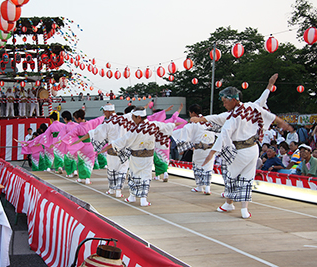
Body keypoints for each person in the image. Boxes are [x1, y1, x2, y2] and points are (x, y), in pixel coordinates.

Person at [196, 73, 289, 219]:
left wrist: (212, 153)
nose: (224, 103)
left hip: (240, 151)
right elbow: (262, 99)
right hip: (253, 149)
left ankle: (229, 203)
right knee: (247, 177)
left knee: (232, 176)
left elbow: (223, 133)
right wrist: (269, 85)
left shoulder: (232, 117)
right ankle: (244, 209)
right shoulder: (252, 107)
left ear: (233, 100)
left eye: (225, 101)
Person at [101, 107, 178, 206]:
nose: (132, 119)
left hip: (136, 156)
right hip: (148, 157)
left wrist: (107, 148)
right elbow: (168, 127)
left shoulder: (135, 130)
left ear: (138, 117)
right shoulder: (154, 125)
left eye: (133, 117)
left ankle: (132, 197)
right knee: (145, 176)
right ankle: (143, 199)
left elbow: (122, 141)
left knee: (134, 175)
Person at [74, 104, 131, 197]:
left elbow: (94, 133)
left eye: (104, 112)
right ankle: (118, 191)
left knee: (112, 170)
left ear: (108, 111)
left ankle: (112, 189)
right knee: (122, 170)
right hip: (123, 149)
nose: (104, 114)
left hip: (112, 150)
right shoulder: (125, 119)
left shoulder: (107, 123)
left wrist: (79, 140)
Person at [173, 104, 216, 194]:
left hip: (199, 148)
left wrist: (173, 132)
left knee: (198, 166)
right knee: (208, 167)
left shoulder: (194, 123)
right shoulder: (209, 121)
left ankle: (200, 187)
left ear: (192, 112)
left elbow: (185, 133)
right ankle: (207, 187)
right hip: (210, 147)